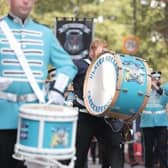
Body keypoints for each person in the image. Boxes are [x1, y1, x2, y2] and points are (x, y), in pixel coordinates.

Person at [0, 0, 77, 168]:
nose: (26, 2)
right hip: (2, 116)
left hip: (35, 117)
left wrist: (57, 89)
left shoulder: (44, 33)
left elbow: (67, 65)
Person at [73, 39, 123, 168]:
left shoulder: (109, 67)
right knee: (80, 153)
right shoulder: (80, 65)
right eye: (101, 52)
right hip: (84, 116)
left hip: (103, 116)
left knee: (114, 146)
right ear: (91, 52)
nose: (103, 56)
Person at [140, 71, 168, 168]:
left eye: (158, 78)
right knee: (148, 149)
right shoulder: (144, 90)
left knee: (162, 149)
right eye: (154, 78)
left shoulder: (165, 88)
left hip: (161, 123)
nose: (156, 80)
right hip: (147, 123)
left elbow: (162, 93)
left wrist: (156, 87)